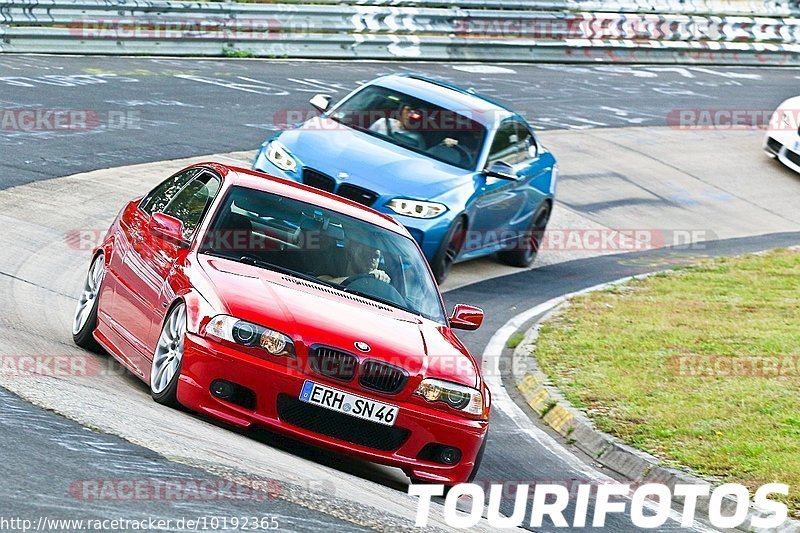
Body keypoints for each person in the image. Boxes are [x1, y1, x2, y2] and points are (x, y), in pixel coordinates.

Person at [319, 242, 391, 285]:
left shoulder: (381, 283)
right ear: (349, 255)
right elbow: (319, 285)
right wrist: (364, 277)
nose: (371, 259)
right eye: (365, 254)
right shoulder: (331, 270)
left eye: (376, 256)